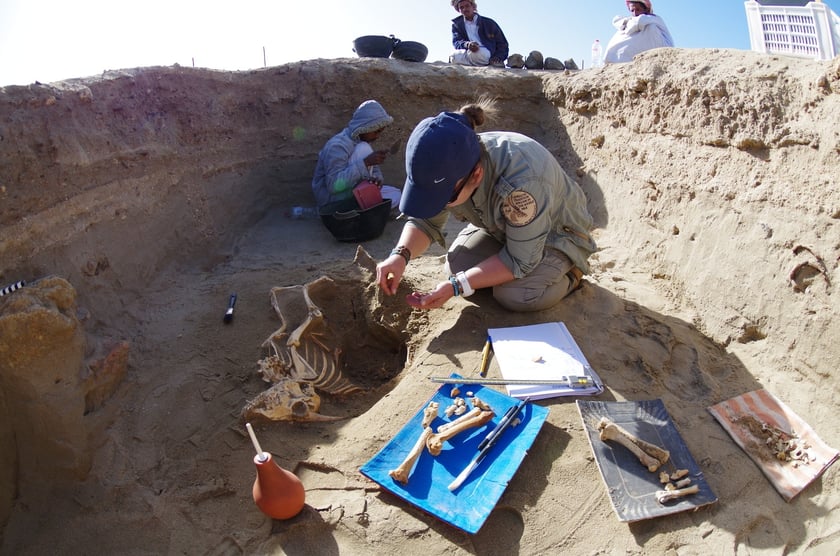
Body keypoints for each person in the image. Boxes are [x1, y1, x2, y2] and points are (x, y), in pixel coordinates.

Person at [375, 97, 597, 312]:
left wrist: (457, 286)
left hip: (556, 236)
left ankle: (570, 274)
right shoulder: (450, 162)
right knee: (456, 265)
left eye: (444, 199)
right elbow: (426, 223)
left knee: (516, 295)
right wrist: (399, 256)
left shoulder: (522, 186)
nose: (440, 205)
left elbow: (519, 260)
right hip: (503, 230)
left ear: (477, 175)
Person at [311, 100, 401, 211]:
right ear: (365, 127)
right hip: (332, 200)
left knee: (396, 194)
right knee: (364, 148)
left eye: (380, 132)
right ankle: (361, 209)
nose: (377, 136)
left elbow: (375, 173)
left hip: (354, 192)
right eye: (376, 131)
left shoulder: (360, 142)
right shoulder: (337, 146)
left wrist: (377, 180)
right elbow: (333, 186)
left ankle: (364, 207)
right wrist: (366, 162)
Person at [604, 0, 674, 64]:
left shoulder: (654, 18)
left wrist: (627, 24)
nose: (635, 13)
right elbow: (617, 22)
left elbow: (637, 23)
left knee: (650, 27)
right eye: (632, 10)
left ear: (646, 9)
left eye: (638, 9)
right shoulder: (629, 21)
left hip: (664, 53)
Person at [449, 0, 509, 68]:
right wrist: (467, 44)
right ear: (458, 10)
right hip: (468, 52)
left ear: (473, 6)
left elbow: (503, 44)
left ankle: (476, 62)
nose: (465, 9)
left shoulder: (489, 23)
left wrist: (497, 58)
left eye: (467, 6)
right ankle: (478, 63)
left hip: (484, 53)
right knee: (453, 56)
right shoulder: (457, 25)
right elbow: (456, 42)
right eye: (461, 7)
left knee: (479, 53)